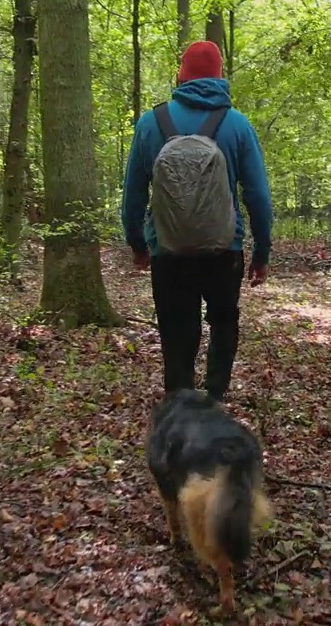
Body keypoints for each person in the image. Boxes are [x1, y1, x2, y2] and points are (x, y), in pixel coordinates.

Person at [121, 40, 274, 402]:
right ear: (220, 75)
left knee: (176, 330)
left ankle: (181, 400)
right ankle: (215, 395)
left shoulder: (150, 123)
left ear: (181, 74)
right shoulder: (236, 124)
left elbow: (133, 195)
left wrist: (138, 244)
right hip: (225, 249)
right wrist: (262, 252)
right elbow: (258, 196)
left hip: (168, 250)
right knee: (223, 320)